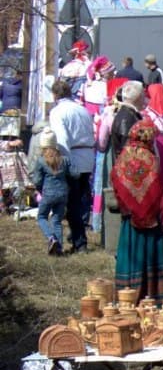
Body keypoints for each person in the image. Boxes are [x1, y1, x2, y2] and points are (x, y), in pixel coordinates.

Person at [111, 119, 163, 294]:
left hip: (130, 219)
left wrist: (126, 205)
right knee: (150, 257)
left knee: (131, 256)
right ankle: (151, 293)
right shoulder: (152, 159)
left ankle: (127, 294)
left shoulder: (123, 156)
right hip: (151, 220)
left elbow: (115, 181)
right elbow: (157, 188)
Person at [48, 80, 95, 254]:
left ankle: (80, 241)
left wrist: (65, 163)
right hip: (87, 156)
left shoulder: (57, 112)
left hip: (72, 157)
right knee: (82, 199)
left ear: (55, 95)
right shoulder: (82, 109)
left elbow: (62, 140)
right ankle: (77, 235)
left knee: (73, 203)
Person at [29, 130, 70, 257]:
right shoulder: (64, 160)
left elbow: (37, 180)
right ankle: (59, 250)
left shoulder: (41, 161)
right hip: (63, 194)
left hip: (48, 194)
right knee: (56, 220)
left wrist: (38, 187)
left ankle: (52, 238)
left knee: (41, 217)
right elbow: (75, 174)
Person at [109, 81, 145, 158]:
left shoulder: (130, 113)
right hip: (130, 166)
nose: (145, 98)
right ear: (137, 97)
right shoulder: (127, 118)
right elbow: (127, 148)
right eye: (143, 95)